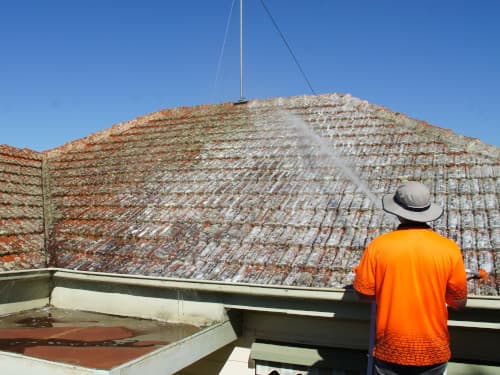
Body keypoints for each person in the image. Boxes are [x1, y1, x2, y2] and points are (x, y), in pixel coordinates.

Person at [353, 181, 468, 375]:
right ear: (427, 211)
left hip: (390, 350)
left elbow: (363, 294)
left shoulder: (378, 246)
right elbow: (459, 302)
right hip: (433, 350)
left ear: (397, 212)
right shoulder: (449, 249)